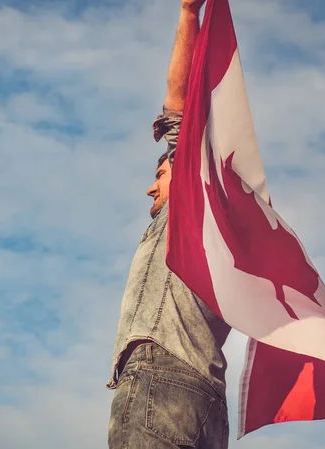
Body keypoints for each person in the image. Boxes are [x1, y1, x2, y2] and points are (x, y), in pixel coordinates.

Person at [107, 1, 231, 447]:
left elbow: (177, 107)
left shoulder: (189, 202)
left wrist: (187, 12)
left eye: (160, 173)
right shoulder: (224, 232)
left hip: (161, 379)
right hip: (210, 403)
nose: (150, 189)